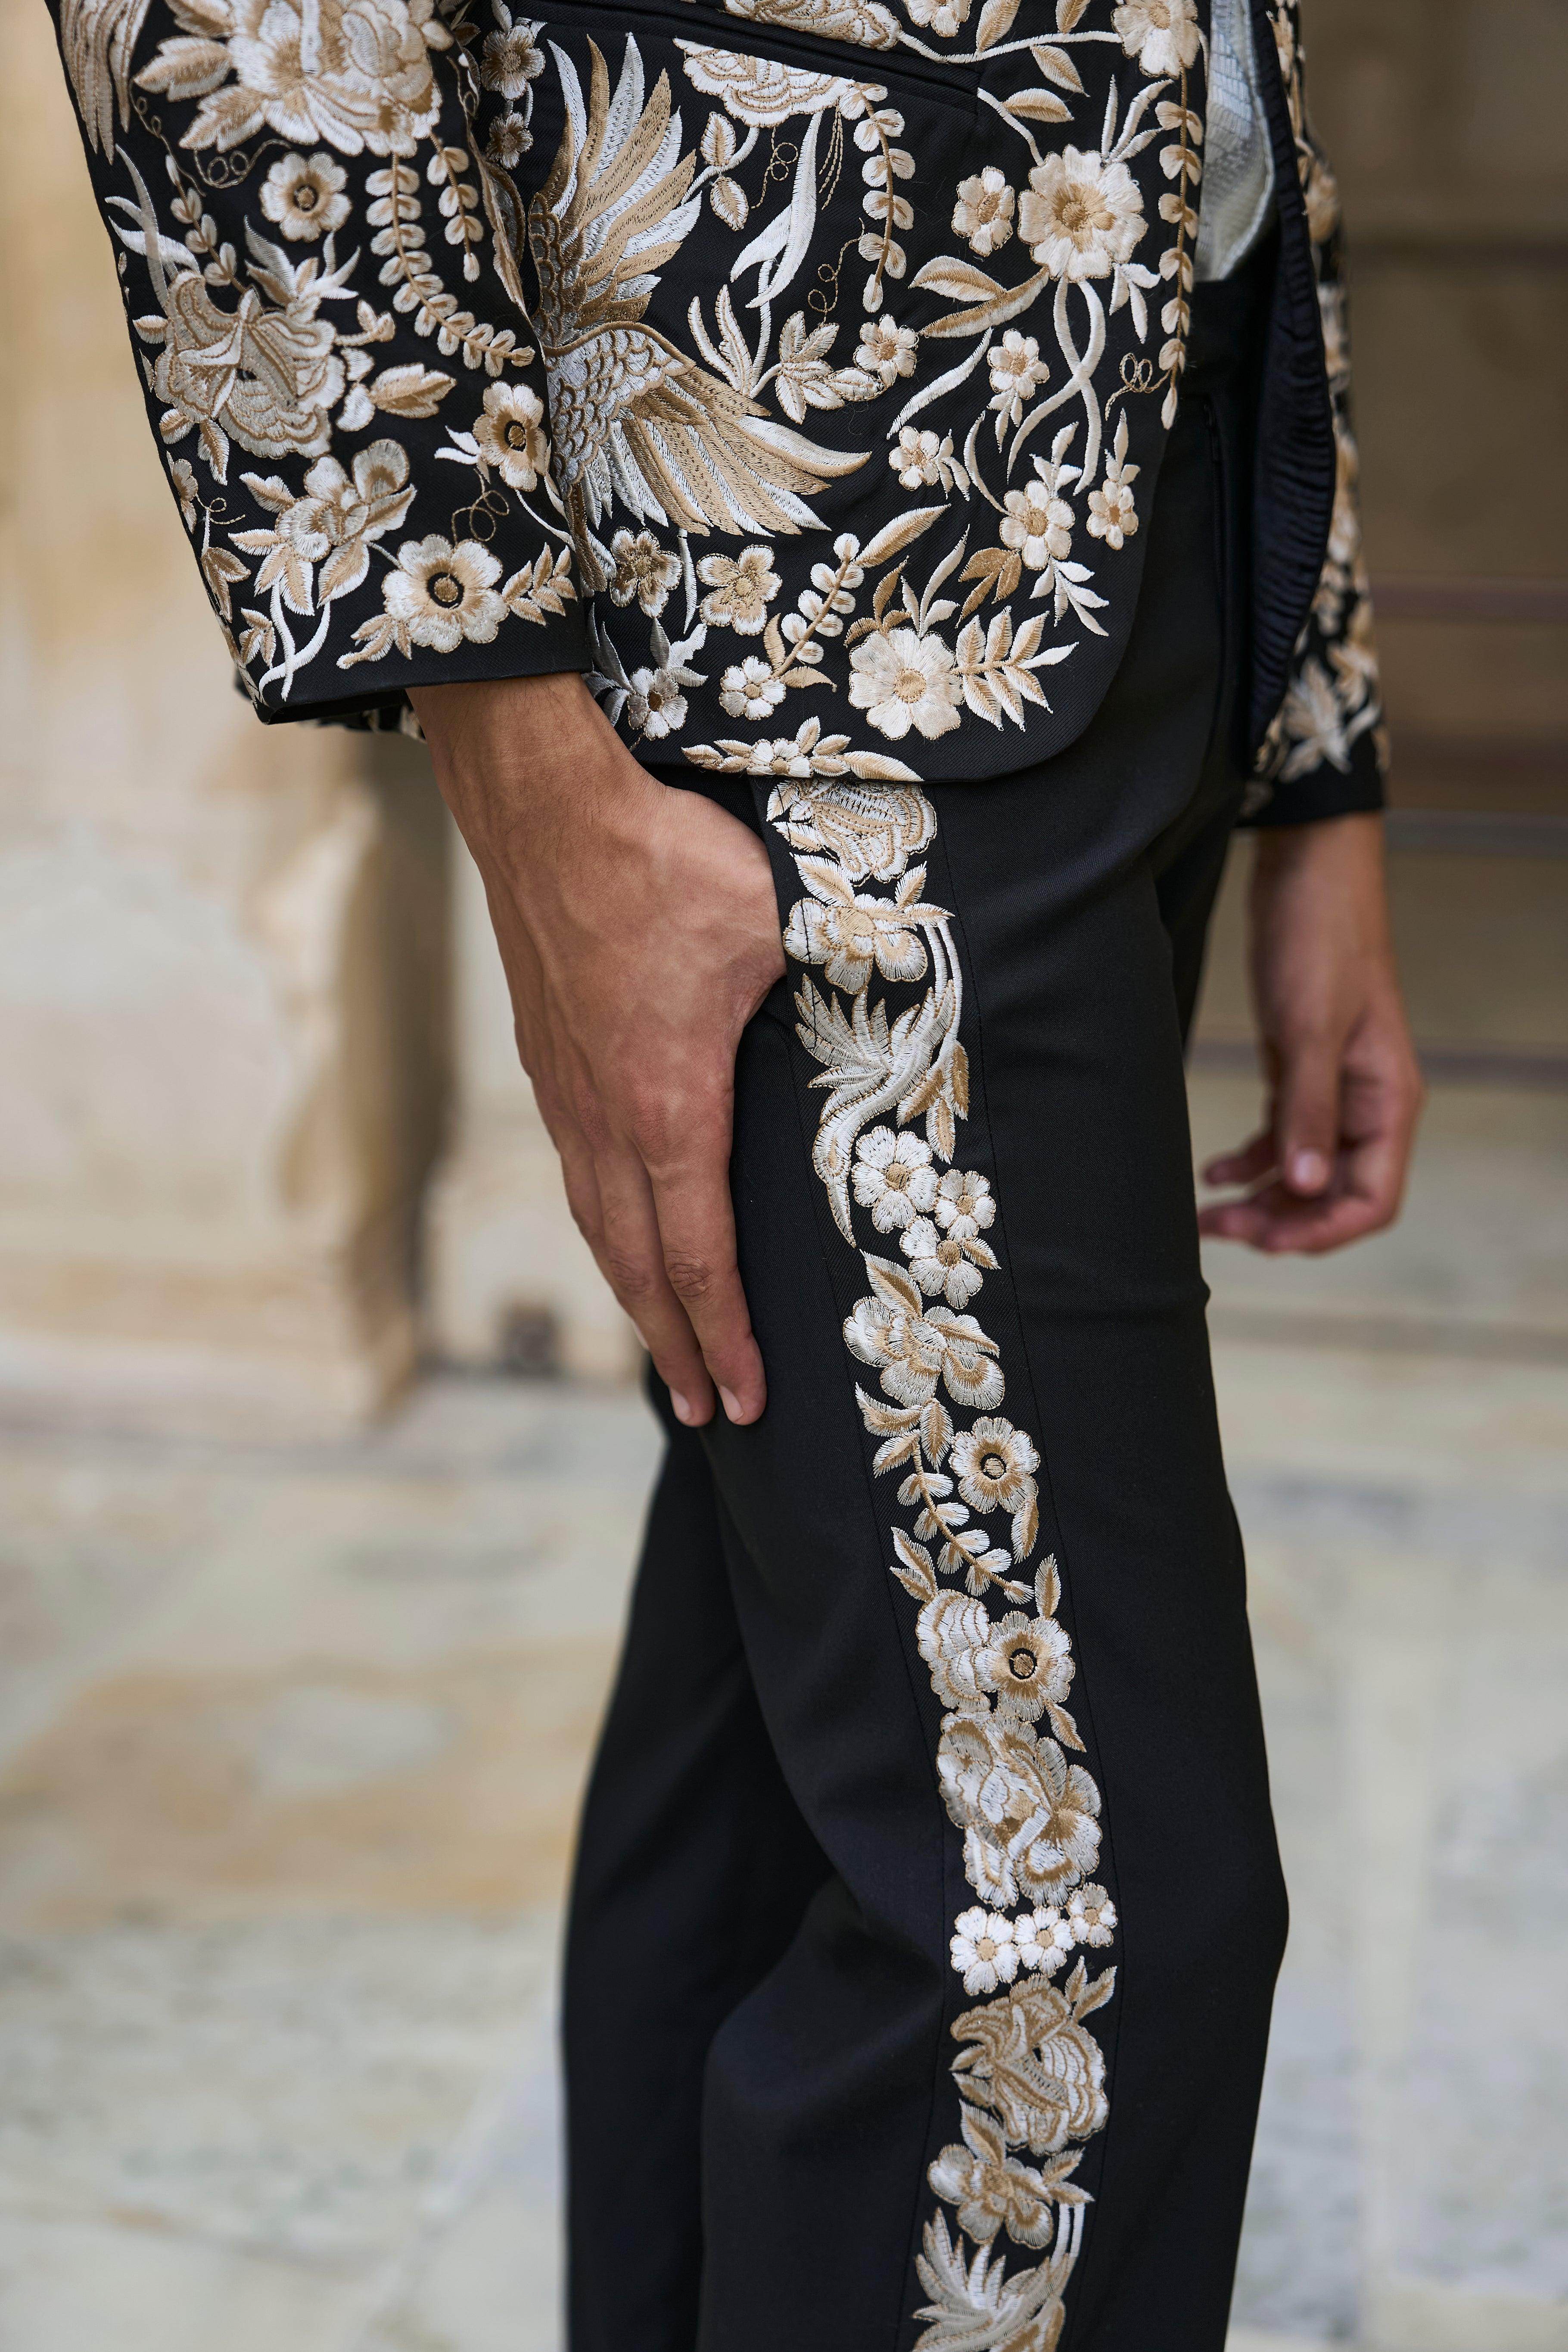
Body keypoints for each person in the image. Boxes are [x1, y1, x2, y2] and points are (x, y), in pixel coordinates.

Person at [47, 0, 1422, 2338]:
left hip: (1131, 490)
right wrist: (518, 752)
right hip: (790, 625)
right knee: (1058, 1940)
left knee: (794, 1797)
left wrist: (1310, 727)